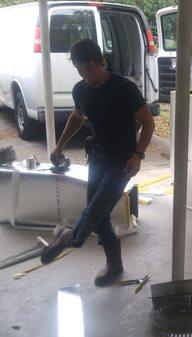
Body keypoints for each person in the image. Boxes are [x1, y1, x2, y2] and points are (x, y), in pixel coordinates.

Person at [41, 39, 155, 286]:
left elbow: (148, 122)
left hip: (122, 162)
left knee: (95, 209)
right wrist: (59, 145)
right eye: (80, 70)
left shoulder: (124, 88)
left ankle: (70, 237)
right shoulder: (80, 90)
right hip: (98, 157)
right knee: (99, 214)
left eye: (90, 68)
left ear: (101, 62)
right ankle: (114, 265)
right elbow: (77, 116)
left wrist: (139, 154)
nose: (86, 75)